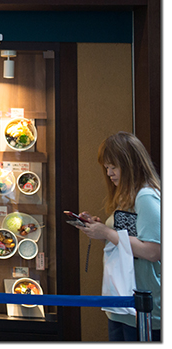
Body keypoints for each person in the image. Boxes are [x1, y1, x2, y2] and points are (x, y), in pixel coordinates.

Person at [78, 131, 161, 341]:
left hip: (142, 304)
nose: (109, 173)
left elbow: (153, 251)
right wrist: (99, 228)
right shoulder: (127, 195)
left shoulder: (146, 196)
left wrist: (107, 232)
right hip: (122, 301)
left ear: (130, 164)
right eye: (106, 168)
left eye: (113, 167)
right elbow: (125, 236)